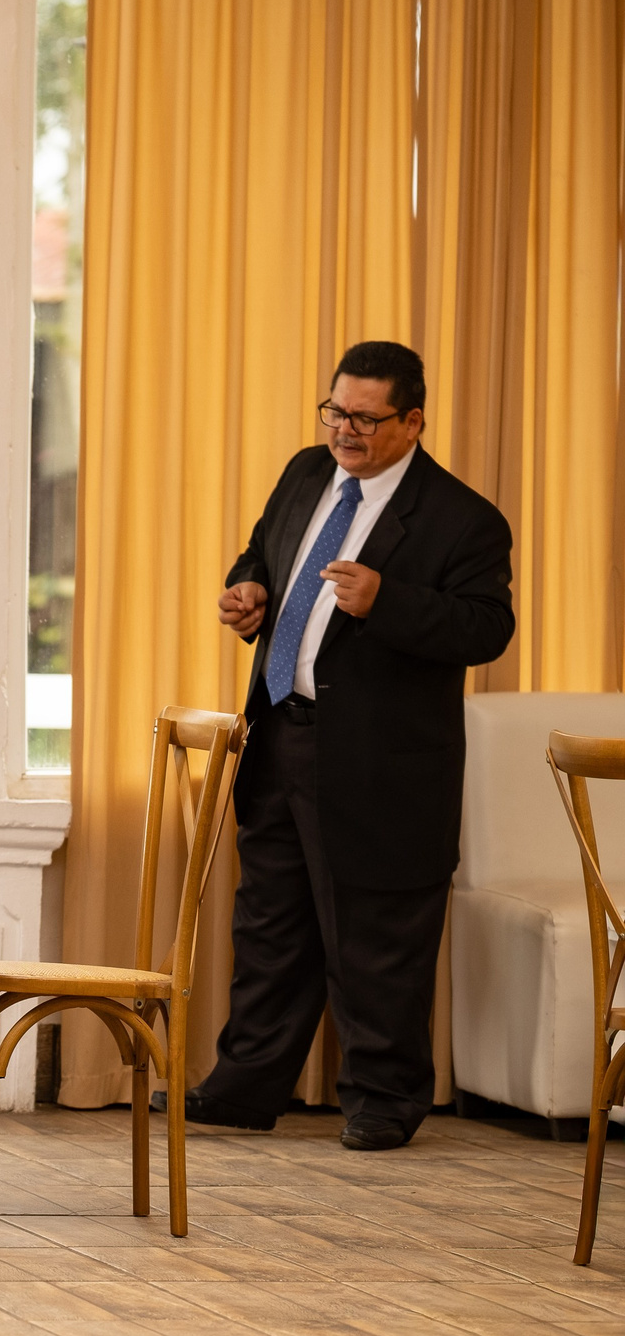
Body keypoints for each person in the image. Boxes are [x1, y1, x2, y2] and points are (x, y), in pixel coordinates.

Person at [177, 340, 513, 1151]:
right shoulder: (305, 472)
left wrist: (386, 600)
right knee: (270, 925)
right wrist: (251, 585)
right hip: (284, 733)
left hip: (382, 766)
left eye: (365, 418)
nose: (345, 431)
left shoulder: (462, 518)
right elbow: (265, 546)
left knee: (376, 933)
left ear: (413, 421)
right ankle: (245, 1088)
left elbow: (487, 628)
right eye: (336, 411)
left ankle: (386, 1101)